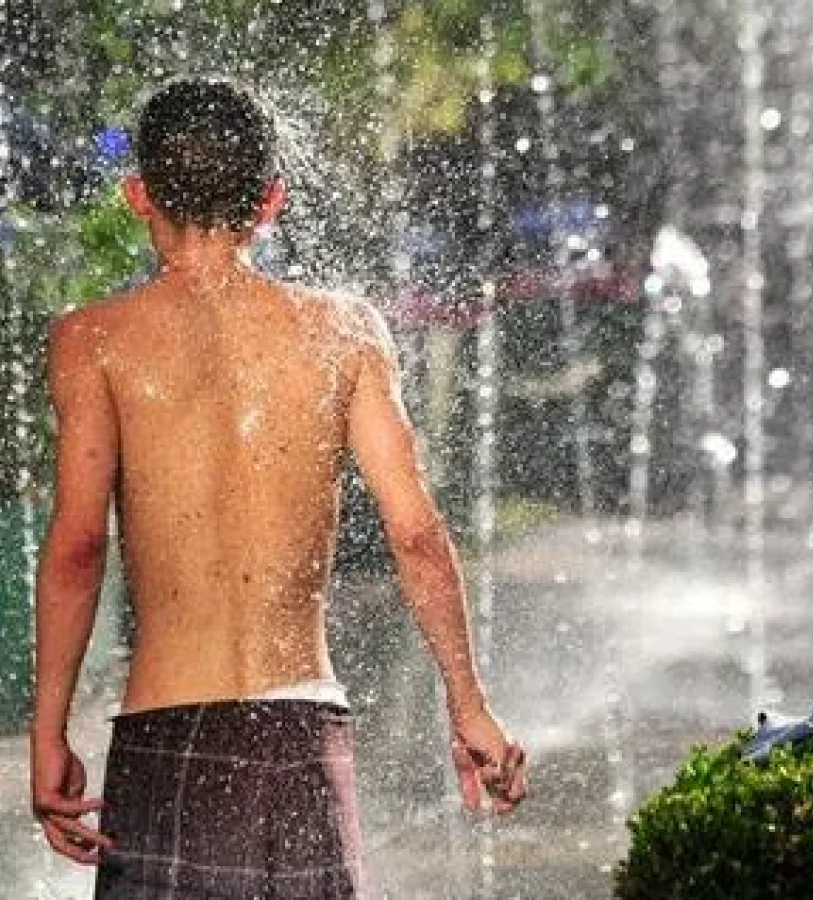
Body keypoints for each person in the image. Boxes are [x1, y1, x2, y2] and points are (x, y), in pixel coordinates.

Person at [28, 77, 528, 899]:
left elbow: (79, 549)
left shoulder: (93, 343)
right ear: (271, 201)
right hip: (301, 736)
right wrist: (467, 703)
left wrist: (47, 731)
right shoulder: (344, 332)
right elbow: (417, 536)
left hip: (165, 735)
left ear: (136, 195)